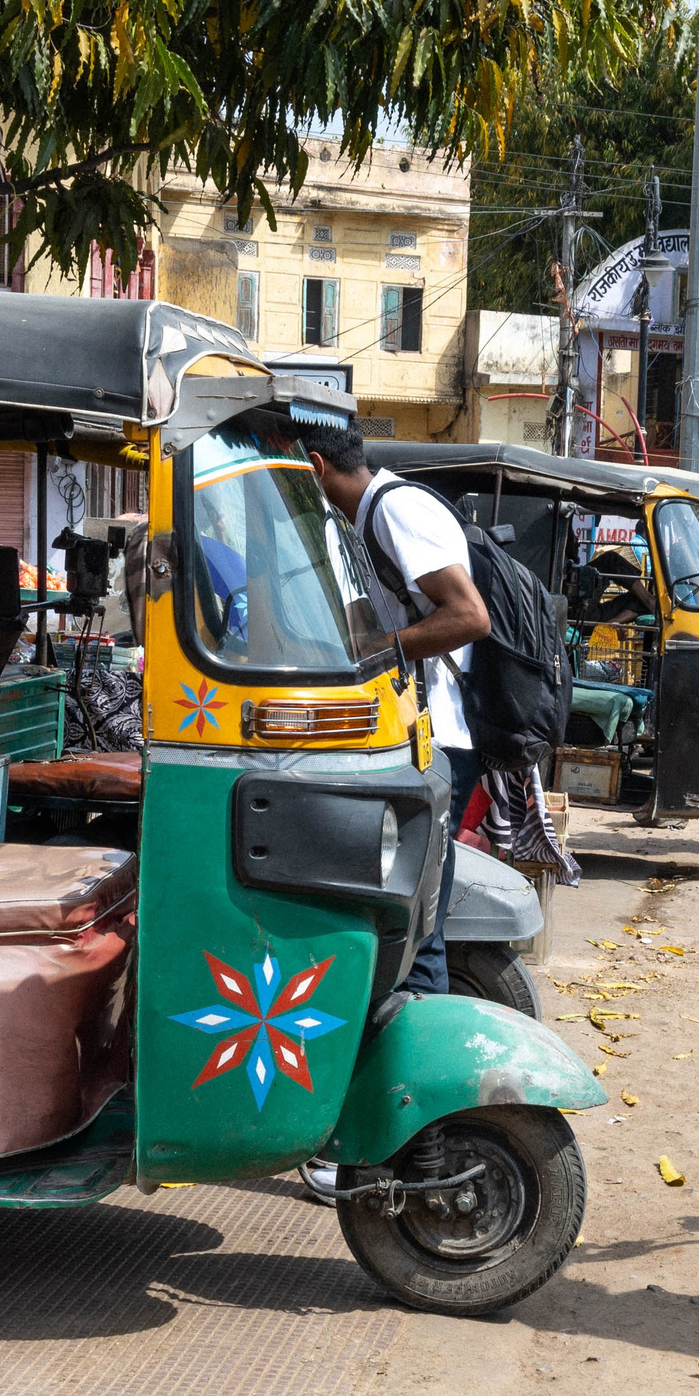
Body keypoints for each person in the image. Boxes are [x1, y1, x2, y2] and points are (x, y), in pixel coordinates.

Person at [299, 422, 492, 992]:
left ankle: (420, 1024)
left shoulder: (394, 509)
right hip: (418, 732)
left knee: (417, 918)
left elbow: (469, 617)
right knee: (406, 907)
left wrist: (381, 648)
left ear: (316, 466)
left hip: (440, 739)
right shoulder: (367, 517)